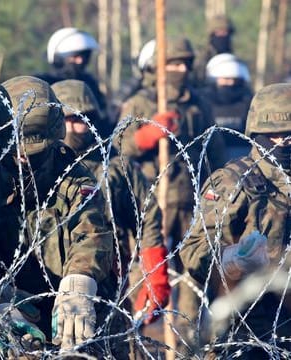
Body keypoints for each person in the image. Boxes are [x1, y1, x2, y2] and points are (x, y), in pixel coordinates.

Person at [0, 76, 126, 358]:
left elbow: (91, 232)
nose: (25, 157)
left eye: (35, 148)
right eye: (18, 148)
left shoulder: (74, 177)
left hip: (78, 315)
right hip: (18, 317)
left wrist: (79, 281)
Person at [117, 36, 226, 356]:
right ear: (156, 67)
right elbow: (119, 147)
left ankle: (186, 347)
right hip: (152, 204)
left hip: (191, 203)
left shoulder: (199, 103)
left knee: (193, 280)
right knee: (148, 280)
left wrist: (216, 190)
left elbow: (215, 150)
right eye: (172, 64)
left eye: (184, 65)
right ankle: (141, 346)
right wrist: (146, 136)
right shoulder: (140, 103)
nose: (179, 70)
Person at [180, 83, 291, 359]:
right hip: (246, 325)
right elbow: (194, 249)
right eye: (274, 136)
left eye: (290, 136)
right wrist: (233, 259)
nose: (283, 143)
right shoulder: (233, 181)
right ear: (257, 134)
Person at [51, 79, 169, 329]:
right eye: (67, 119)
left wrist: (154, 275)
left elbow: (146, 217)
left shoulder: (114, 167)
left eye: (81, 120)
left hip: (107, 282)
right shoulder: (39, 170)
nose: (74, 128)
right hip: (48, 277)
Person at [34, 27, 114, 137]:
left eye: (84, 57)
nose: (80, 61)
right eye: (75, 56)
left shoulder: (90, 84)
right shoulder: (43, 84)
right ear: (59, 58)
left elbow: (102, 119)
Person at [200, 53, 253, 161]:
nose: (231, 83)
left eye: (235, 79)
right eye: (226, 79)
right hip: (210, 158)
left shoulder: (250, 102)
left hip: (244, 160)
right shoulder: (202, 101)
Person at [193, 15, 236, 87]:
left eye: (225, 32)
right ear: (212, 35)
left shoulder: (233, 59)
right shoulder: (202, 58)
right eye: (218, 32)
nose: (222, 36)